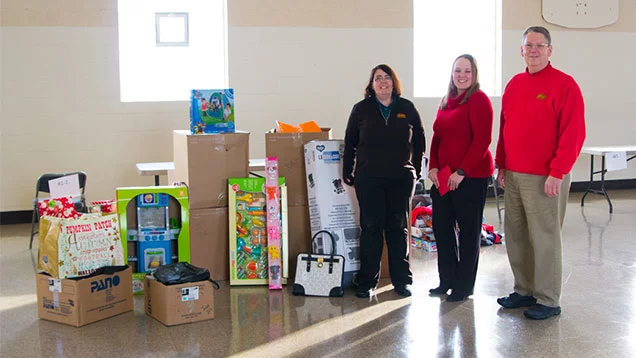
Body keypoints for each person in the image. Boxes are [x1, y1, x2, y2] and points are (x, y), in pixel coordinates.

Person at [495, 26, 586, 320]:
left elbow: (574, 133)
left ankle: (548, 299)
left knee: (545, 238)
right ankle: (524, 290)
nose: (534, 50)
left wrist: (557, 172)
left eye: (540, 45)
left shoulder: (565, 85)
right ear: (521, 50)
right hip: (514, 175)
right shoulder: (514, 84)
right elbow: (505, 128)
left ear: (550, 50)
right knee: (516, 234)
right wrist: (502, 164)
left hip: (546, 177)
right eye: (528, 45)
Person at [343, 64, 426, 298]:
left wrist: (416, 170)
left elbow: (419, 140)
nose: (383, 82)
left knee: (398, 229)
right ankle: (368, 281)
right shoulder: (361, 109)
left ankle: (402, 281)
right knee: (371, 228)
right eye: (378, 78)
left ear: (394, 82)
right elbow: (350, 142)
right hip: (369, 178)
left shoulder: (407, 108)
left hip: (400, 178)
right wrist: (348, 171)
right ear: (371, 84)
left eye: (387, 77)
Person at [427, 54, 494, 302]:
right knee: (442, 228)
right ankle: (447, 280)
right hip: (443, 177)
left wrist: (462, 171)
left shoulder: (479, 99)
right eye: (458, 71)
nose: (462, 75)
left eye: (467, 71)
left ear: (474, 74)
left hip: (470, 177)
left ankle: (464, 286)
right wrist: (433, 166)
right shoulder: (447, 100)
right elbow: (437, 136)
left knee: (468, 231)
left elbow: (482, 140)